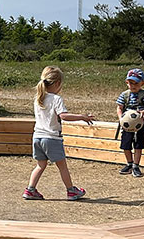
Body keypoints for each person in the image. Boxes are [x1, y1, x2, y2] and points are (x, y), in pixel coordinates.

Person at [23, 66, 94, 201]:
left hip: (37, 137)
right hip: (51, 138)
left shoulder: (38, 98)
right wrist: (82, 117)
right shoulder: (56, 99)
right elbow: (64, 116)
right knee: (62, 167)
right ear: (57, 83)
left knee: (40, 165)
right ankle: (71, 191)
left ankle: (30, 190)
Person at [116, 68, 144, 177]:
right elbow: (119, 108)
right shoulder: (124, 95)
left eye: (136, 83)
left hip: (139, 125)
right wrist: (121, 118)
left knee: (138, 145)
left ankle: (136, 166)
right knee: (126, 145)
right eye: (131, 83)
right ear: (127, 82)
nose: (133, 85)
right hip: (127, 125)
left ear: (142, 83)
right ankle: (129, 164)